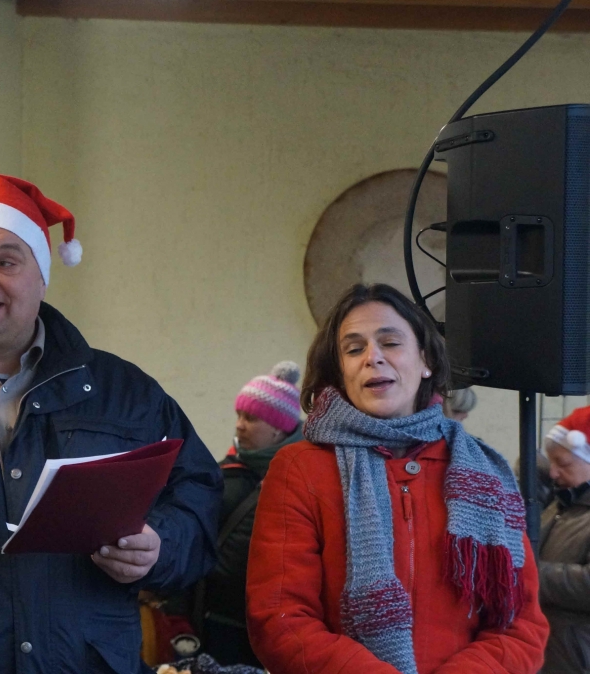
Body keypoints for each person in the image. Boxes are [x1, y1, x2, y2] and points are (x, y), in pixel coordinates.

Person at [0, 175, 222, 674]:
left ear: (41, 278)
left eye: (5, 262)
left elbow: (199, 495)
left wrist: (160, 545)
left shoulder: (125, 393)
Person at [247, 283, 548, 673]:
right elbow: (280, 618)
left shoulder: (483, 473)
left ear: (426, 361)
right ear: (339, 371)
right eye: (353, 349)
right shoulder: (300, 468)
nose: (372, 357)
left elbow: (520, 625)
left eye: (390, 343)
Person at [197, 361, 303, 667]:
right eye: (239, 415)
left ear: (278, 428)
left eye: (251, 418)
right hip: (215, 618)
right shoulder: (222, 475)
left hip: (277, 625)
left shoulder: (304, 478)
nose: (239, 425)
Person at [536, 408, 590, 673]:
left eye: (564, 463)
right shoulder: (562, 504)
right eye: (552, 463)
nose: (554, 473)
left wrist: (530, 574)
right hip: (551, 651)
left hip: (576, 657)